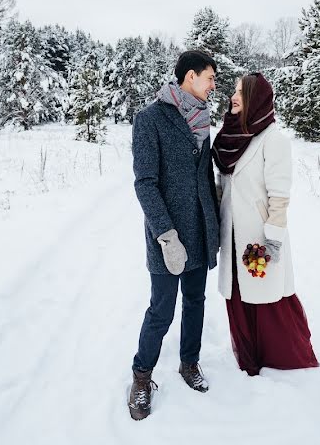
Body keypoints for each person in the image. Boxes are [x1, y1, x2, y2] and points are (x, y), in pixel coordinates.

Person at [127, 50, 221, 421]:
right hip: (168, 234)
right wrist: (166, 235)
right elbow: (145, 183)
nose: (214, 85)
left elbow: (205, 176)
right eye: (210, 77)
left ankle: (189, 362)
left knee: (195, 301)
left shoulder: (203, 119)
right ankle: (141, 376)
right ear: (191, 77)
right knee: (162, 309)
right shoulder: (150, 119)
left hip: (200, 228)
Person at [212, 73, 318, 376]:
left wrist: (272, 240)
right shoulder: (228, 136)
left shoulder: (274, 140)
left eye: (241, 93)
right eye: (234, 91)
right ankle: (248, 358)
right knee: (238, 297)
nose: (233, 97)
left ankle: (282, 360)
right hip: (231, 233)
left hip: (258, 236)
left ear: (256, 100)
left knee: (268, 302)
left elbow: (279, 197)